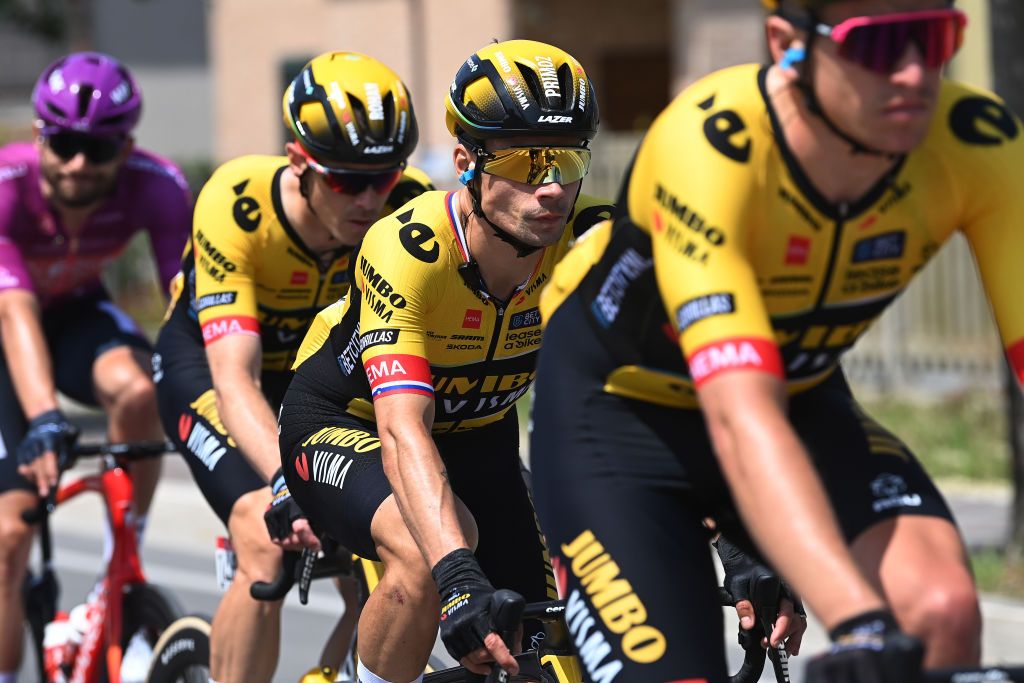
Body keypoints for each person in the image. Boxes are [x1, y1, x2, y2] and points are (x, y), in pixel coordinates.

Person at [529, 0, 1022, 680]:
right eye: (879, 47)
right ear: (787, 43)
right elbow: (738, 416)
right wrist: (858, 623)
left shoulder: (977, 141)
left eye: (933, 39)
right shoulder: (712, 146)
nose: (914, 73)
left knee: (939, 611)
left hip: (796, 397)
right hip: (620, 422)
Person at [276, 39, 621, 683]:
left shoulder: (593, 244)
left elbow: (670, 396)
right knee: (426, 555)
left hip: (478, 438)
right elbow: (402, 426)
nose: (551, 187)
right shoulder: (410, 249)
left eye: (569, 158)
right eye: (525, 159)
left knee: (549, 639)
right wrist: (458, 577)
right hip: (347, 426)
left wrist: (736, 540)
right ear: (466, 159)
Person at [153, 51, 433, 683]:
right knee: (264, 532)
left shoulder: (408, 207)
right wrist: (287, 482)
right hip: (213, 368)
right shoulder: (238, 203)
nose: (368, 198)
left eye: (384, 176)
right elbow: (235, 380)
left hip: (317, 381)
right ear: (299, 163)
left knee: (392, 544)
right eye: (345, 181)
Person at [0, 52, 192, 680]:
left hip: (78, 313)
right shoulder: (5, 188)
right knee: (8, 539)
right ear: (38, 136)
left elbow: (185, 302)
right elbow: (16, 313)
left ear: (127, 145)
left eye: (100, 148)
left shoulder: (157, 184)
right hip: (8, 322)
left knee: (139, 389)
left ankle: (118, 572)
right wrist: (47, 418)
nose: (80, 164)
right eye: (65, 144)